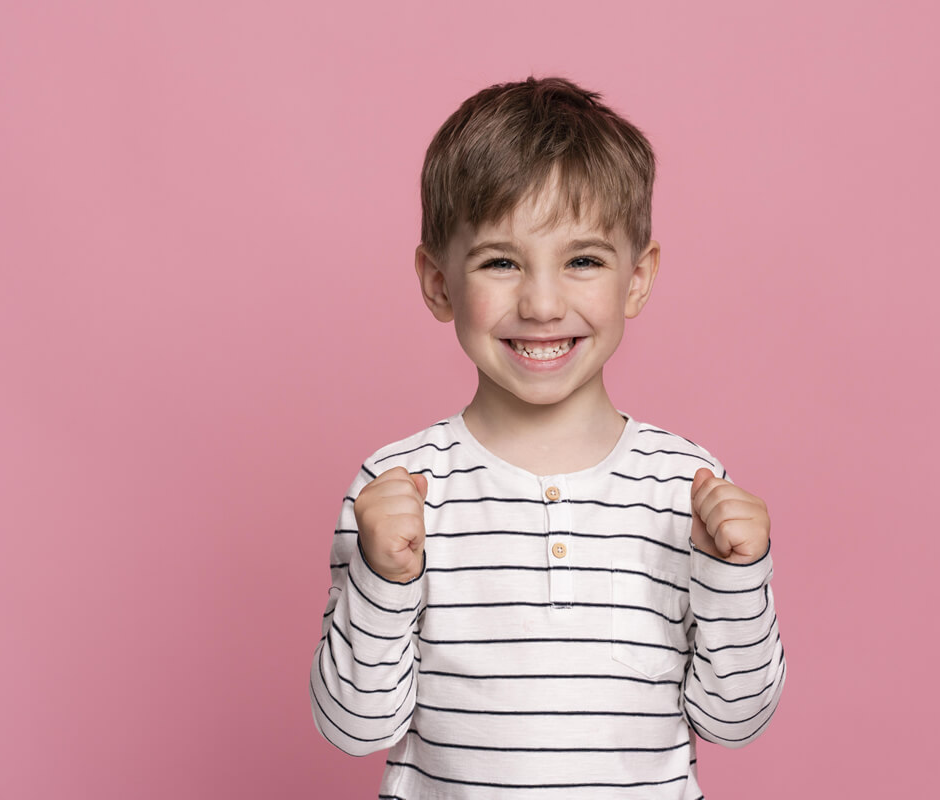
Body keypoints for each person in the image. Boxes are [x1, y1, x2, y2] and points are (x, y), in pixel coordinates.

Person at [310, 76, 785, 798]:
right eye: (500, 262)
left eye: (583, 261)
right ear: (438, 283)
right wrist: (385, 579)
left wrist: (737, 579)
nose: (540, 302)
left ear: (637, 278)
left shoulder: (687, 485)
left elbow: (735, 719)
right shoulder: (395, 485)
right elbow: (353, 727)